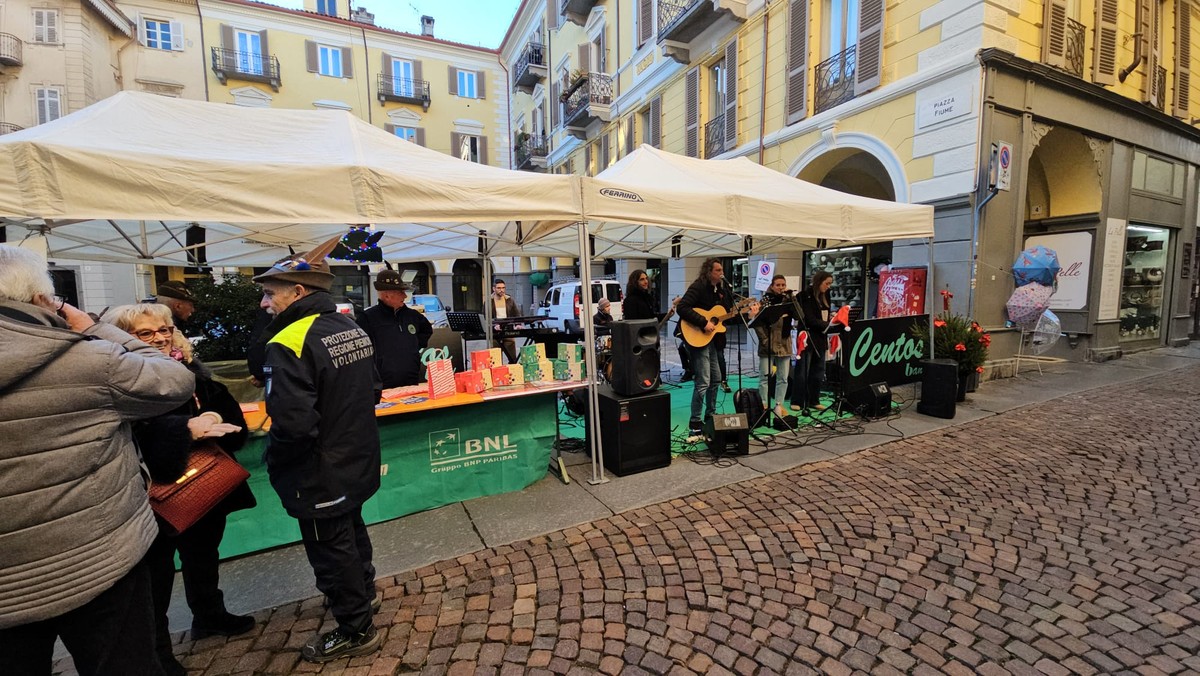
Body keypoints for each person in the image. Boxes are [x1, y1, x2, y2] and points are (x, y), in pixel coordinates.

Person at [0, 244, 195, 676]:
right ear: (41, 299)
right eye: (147, 334)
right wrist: (97, 329)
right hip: (101, 560)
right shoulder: (87, 357)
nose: (160, 338)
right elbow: (173, 381)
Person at [103, 304, 255, 675]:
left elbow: (232, 416)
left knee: (203, 555)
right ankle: (158, 650)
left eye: (163, 329)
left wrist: (213, 416)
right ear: (125, 338)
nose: (159, 338)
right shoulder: (117, 381)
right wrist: (185, 429)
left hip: (202, 485)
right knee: (155, 576)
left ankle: (210, 615)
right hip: (147, 493)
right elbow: (126, 436)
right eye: (145, 333)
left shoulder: (189, 372)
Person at [253, 240, 383, 663]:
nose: (265, 301)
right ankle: (363, 596)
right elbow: (374, 389)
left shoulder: (289, 340)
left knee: (331, 547)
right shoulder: (350, 325)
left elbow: (292, 425)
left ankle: (355, 627)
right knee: (349, 531)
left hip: (318, 468)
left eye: (272, 292)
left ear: (299, 292)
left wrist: (279, 462)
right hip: (355, 455)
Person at [676, 258, 737, 440]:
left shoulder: (722, 291)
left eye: (721, 270)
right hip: (697, 335)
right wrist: (703, 322)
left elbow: (725, 315)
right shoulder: (699, 286)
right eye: (718, 270)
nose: (721, 273)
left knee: (716, 378)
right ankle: (695, 422)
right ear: (709, 271)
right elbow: (682, 307)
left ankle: (710, 416)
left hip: (712, 340)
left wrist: (743, 313)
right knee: (703, 380)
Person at [358, 270, 433, 388]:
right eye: (400, 292)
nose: (404, 296)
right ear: (387, 296)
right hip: (383, 382)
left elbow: (427, 330)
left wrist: (412, 348)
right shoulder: (368, 318)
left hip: (411, 378)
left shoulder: (412, 315)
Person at [789, 270, 834, 412]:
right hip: (807, 338)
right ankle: (797, 400)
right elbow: (809, 319)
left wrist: (832, 319)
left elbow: (825, 314)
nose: (828, 287)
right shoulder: (805, 296)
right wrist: (827, 324)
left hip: (821, 336)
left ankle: (814, 399)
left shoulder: (826, 295)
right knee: (802, 370)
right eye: (826, 283)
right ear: (819, 282)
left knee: (818, 371)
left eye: (830, 284)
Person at [753, 275, 795, 422]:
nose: (781, 288)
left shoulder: (788, 300)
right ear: (771, 286)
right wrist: (764, 340)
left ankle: (779, 404)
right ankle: (763, 405)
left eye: (783, 285)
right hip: (768, 344)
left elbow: (799, 315)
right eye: (778, 285)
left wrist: (793, 299)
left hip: (784, 342)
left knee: (783, 377)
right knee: (764, 376)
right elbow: (757, 323)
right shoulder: (765, 301)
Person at [491, 279, 522, 364]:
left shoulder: (509, 299)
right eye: (499, 288)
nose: (502, 290)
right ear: (494, 289)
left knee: (513, 358)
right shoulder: (489, 301)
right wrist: (494, 325)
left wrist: (518, 324)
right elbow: (486, 317)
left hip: (508, 330)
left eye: (503, 288)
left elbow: (516, 313)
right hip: (495, 333)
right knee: (496, 360)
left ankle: (513, 372)